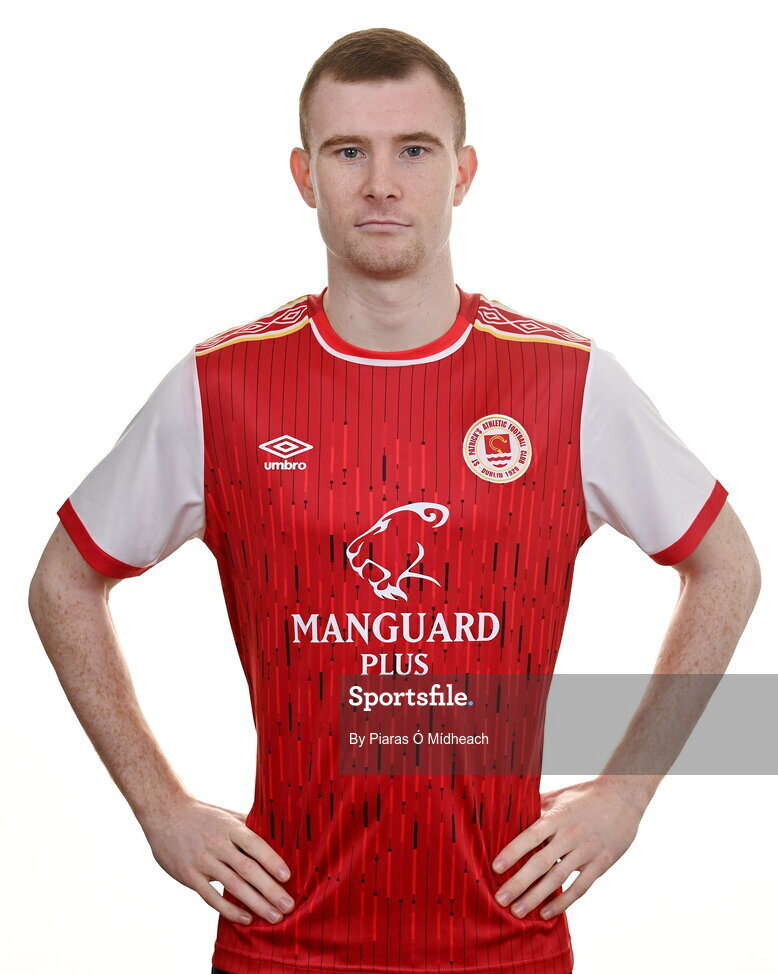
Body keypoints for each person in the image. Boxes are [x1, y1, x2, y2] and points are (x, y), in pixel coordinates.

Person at [28, 26, 760, 974]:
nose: (381, 182)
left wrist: (626, 792)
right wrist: (159, 806)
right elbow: (62, 584)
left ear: (462, 171)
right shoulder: (221, 389)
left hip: (507, 940)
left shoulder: (567, 384)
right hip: (282, 942)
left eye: (413, 149)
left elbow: (729, 563)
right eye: (348, 151)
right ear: (304, 174)